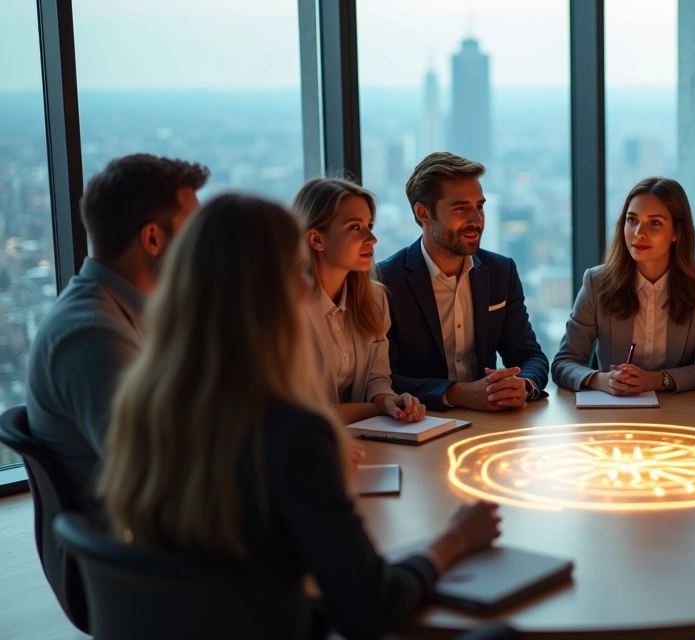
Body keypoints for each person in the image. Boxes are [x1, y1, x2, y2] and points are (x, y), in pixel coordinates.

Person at [96, 194, 501, 639]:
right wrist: (454, 540)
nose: (308, 286)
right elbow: (371, 607)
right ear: (267, 290)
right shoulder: (291, 432)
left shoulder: (143, 404)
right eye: (295, 269)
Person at [25, 153, 208, 523]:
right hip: (139, 562)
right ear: (153, 238)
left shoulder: (130, 312)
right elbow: (159, 478)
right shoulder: (92, 336)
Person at [378, 152, 549, 412]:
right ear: (424, 213)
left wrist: (523, 384)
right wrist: (458, 393)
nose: (476, 220)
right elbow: (383, 378)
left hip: (489, 420)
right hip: (420, 420)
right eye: (460, 208)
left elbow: (529, 356)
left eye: (479, 206)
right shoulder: (387, 281)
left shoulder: (501, 272)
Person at [552, 177, 695, 394]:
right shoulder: (597, 282)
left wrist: (655, 380)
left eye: (654, 223)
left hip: (679, 411)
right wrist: (602, 380)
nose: (638, 233)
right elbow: (563, 364)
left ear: (677, 232)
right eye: (632, 220)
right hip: (615, 411)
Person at [291, 177, 424, 425]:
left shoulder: (374, 297)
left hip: (358, 441)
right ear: (316, 239)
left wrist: (387, 399)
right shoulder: (285, 309)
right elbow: (304, 414)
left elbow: (377, 377)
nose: (372, 239)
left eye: (370, 225)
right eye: (355, 227)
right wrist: (379, 409)